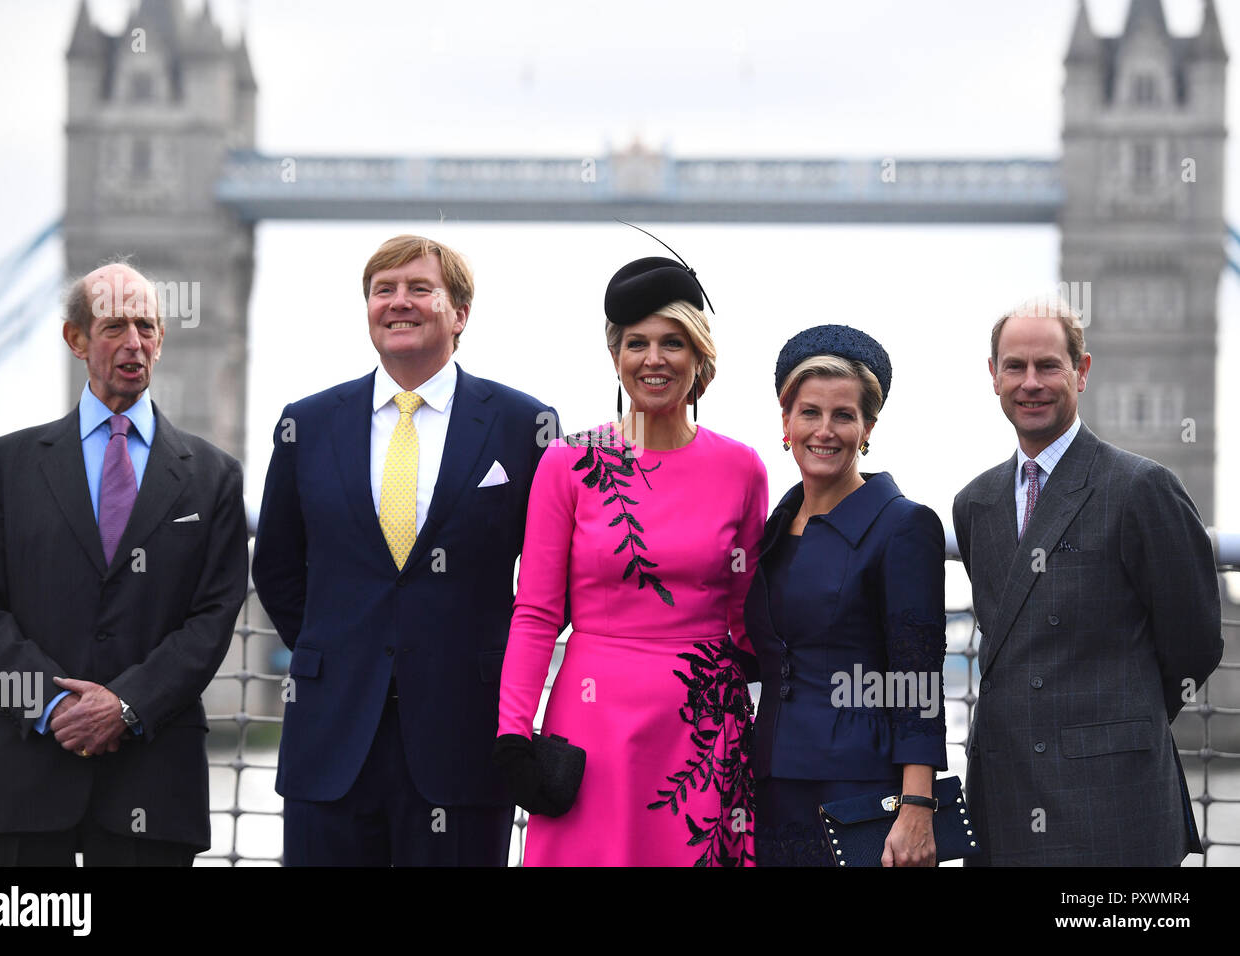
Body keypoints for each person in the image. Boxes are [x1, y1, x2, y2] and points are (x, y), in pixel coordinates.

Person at [252, 234, 558, 866]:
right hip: (329, 737)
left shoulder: (523, 426)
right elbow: (277, 565)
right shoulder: (304, 425)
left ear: (460, 314)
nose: (398, 303)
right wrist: (337, 647)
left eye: (420, 288)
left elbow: (552, 575)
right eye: (382, 290)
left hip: (466, 739)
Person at [0, 261, 248, 865]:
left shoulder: (214, 477)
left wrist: (125, 705)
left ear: (161, 340)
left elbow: (214, 616)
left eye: (146, 326)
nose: (133, 343)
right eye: (114, 327)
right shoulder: (8, 463)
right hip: (25, 783)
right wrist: (53, 706)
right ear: (76, 339)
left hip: (154, 784)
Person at [494, 256, 768, 866]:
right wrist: (513, 731)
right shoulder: (567, 464)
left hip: (704, 726)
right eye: (636, 343)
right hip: (592, 721)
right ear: (615, 356)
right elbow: (536, 612)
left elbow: (749, 614)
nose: (654, 359)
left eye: (673, 342)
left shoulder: (744, 468)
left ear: (700, 357)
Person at [952, 300, 1223, 866]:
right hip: (1004, 792)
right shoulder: (974, 504)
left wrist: (1118, 722)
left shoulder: (1141, 488)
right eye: (1015, 367)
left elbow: (1195, 642)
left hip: (1112, 798)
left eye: (1048, 366)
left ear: (1082, 371)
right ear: (993, 376)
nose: (1031, 383)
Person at [744, 325, 947, 867]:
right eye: (809, 412)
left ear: (868, 428)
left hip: (860, 791)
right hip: (770, 785)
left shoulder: (903, 525)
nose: (824, 431)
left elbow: (917, 678)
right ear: (785, 422)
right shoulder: (773, 529)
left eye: (844, 415)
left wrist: (917, 806)